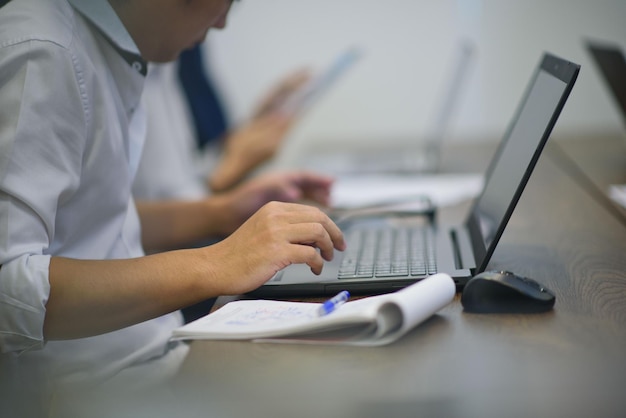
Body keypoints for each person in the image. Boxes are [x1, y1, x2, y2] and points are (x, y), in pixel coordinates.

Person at [0, 0, 345, 402]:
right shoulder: (43, 50)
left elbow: (90, 225)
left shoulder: (102, 48)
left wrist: (220, 212)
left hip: (148, 359)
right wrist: (218, 262)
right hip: (87, 397)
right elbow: (10, 284)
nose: (222, 22)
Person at [133, 45, 310, 201]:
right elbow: (165, 202)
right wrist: (230, 171)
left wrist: (254, 122)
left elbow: (196, 162)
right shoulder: (151, 60)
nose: (222, 23)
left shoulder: (178, 62)